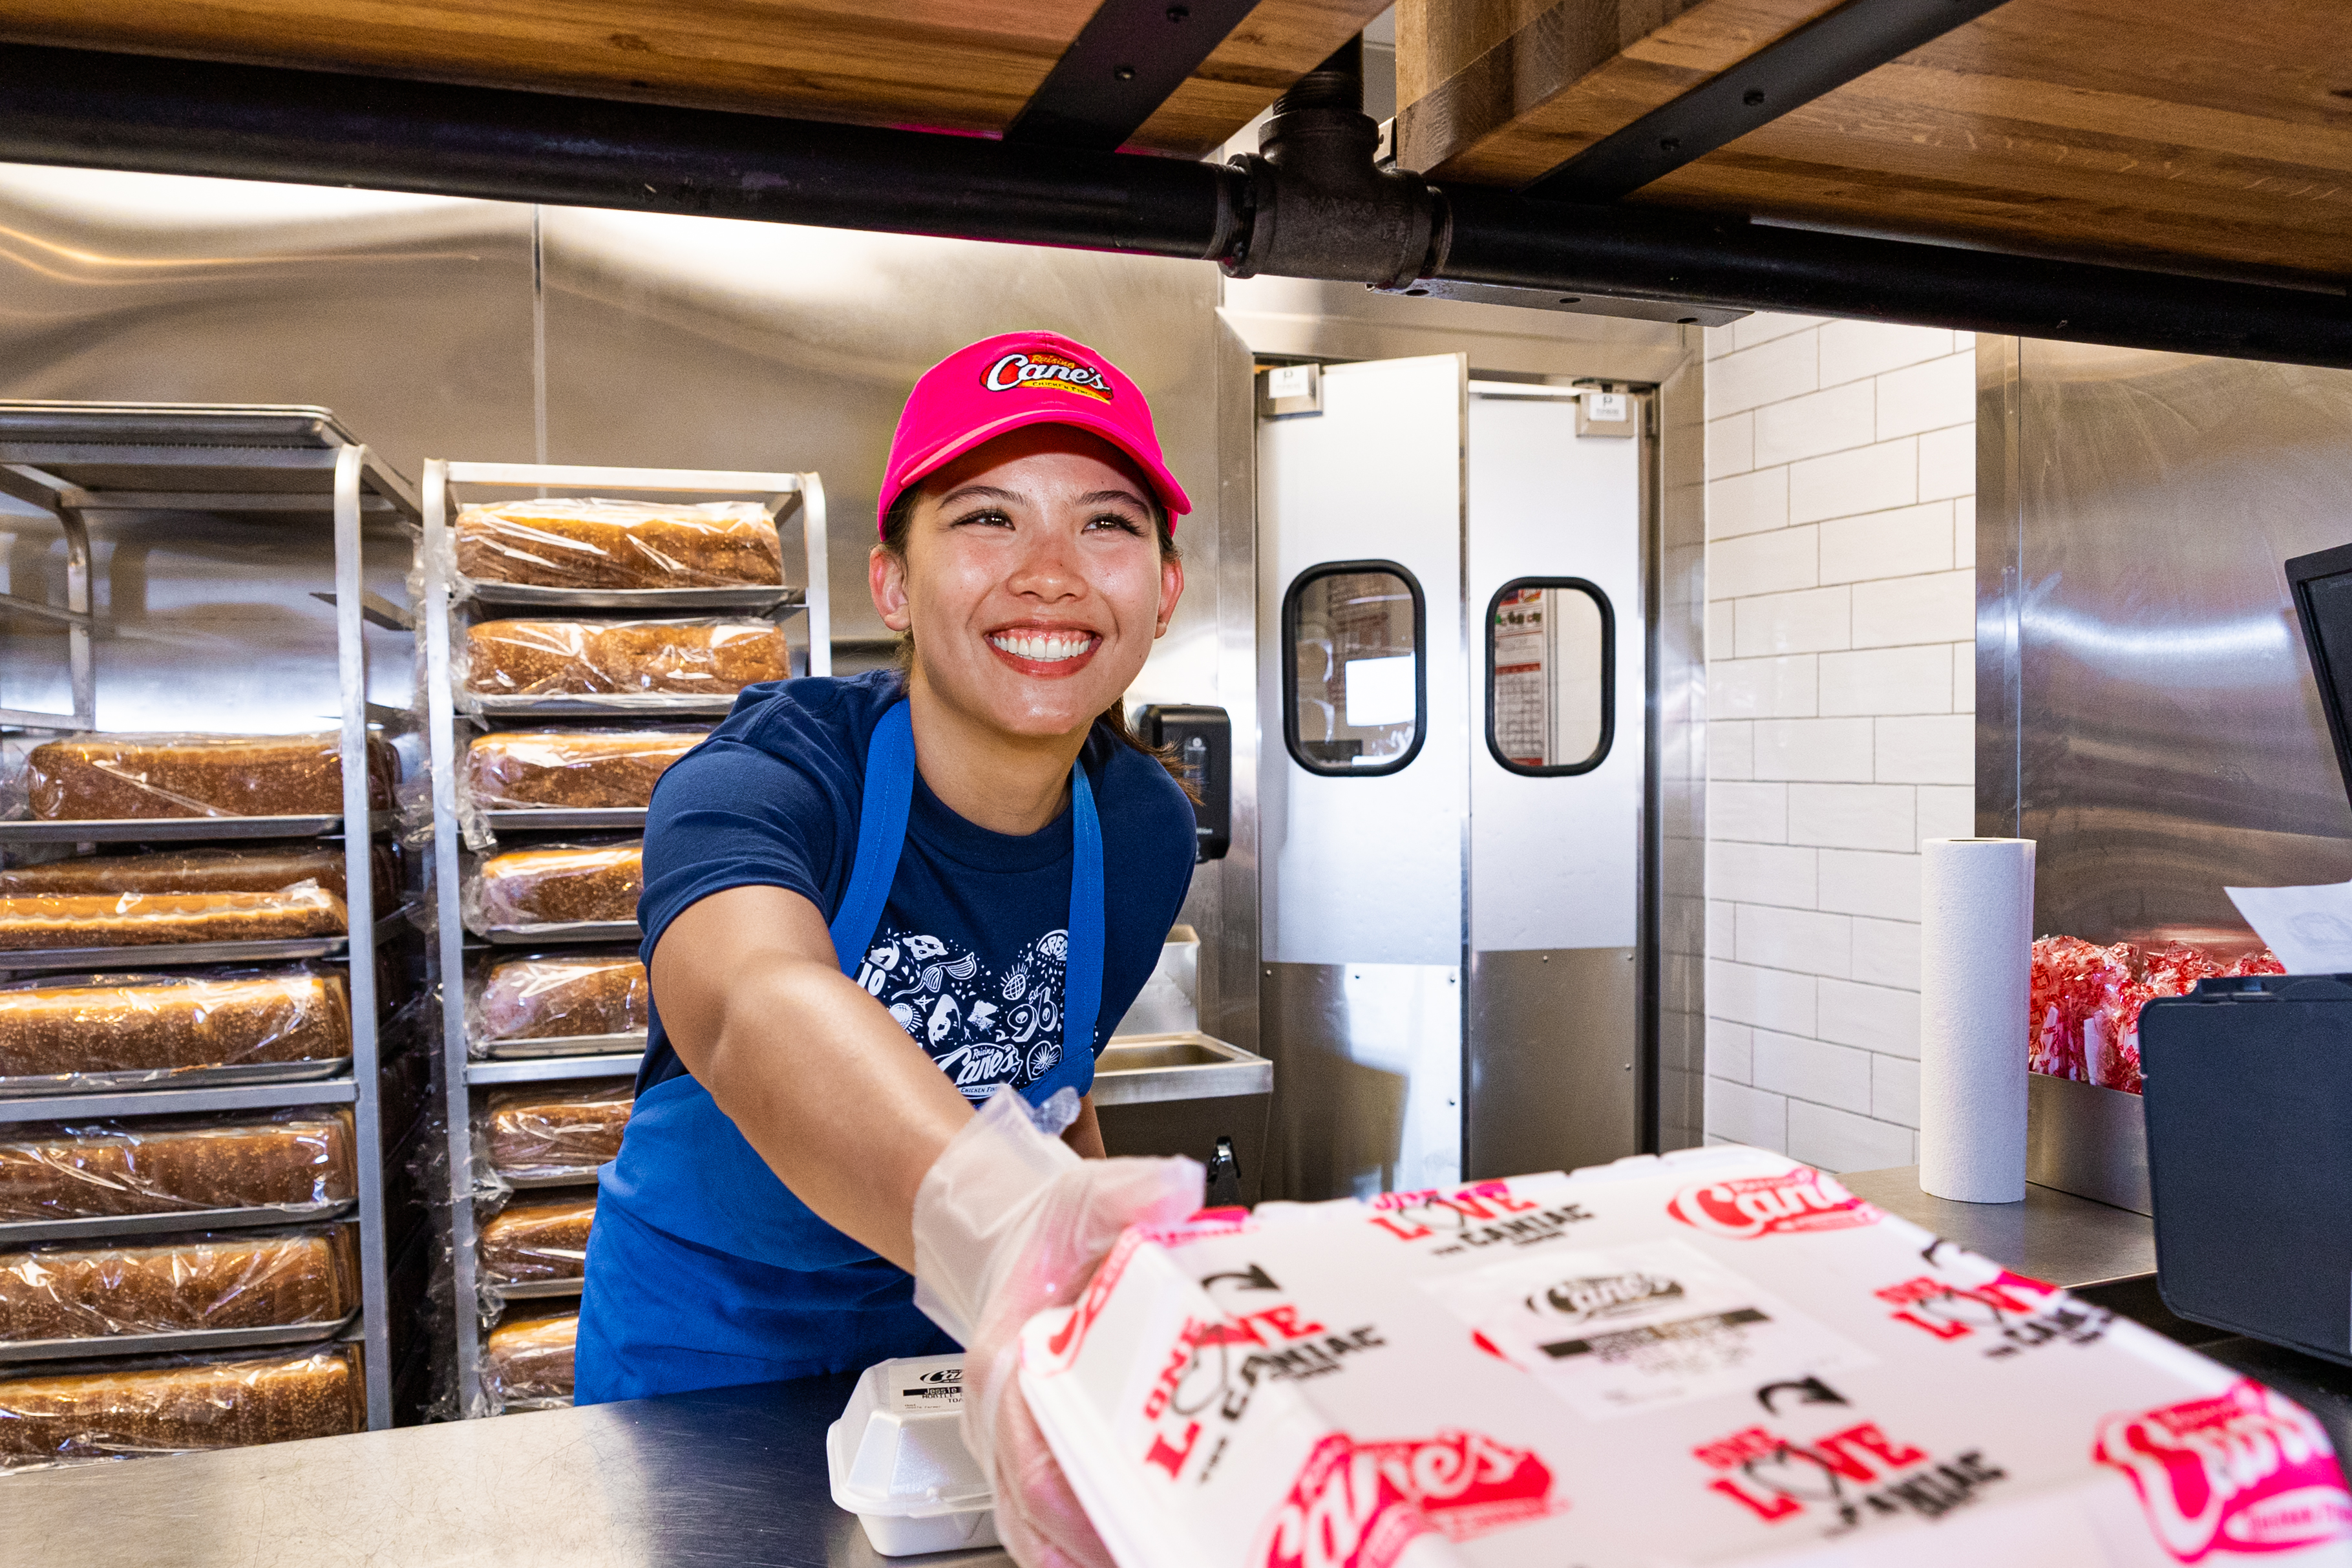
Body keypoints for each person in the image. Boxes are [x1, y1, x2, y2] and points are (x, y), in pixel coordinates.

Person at [573, 331, 1209, 1564]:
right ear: (893, 585)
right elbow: (751, 1001)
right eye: (987, 518)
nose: (1050, 573)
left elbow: (1058, 1088)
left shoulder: (1143, 829)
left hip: (953, 1351)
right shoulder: (770, 775)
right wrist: (1017, 1240)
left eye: (1106, 524)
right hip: (707, 1353)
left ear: (1165, 591)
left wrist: (1096, 1304)